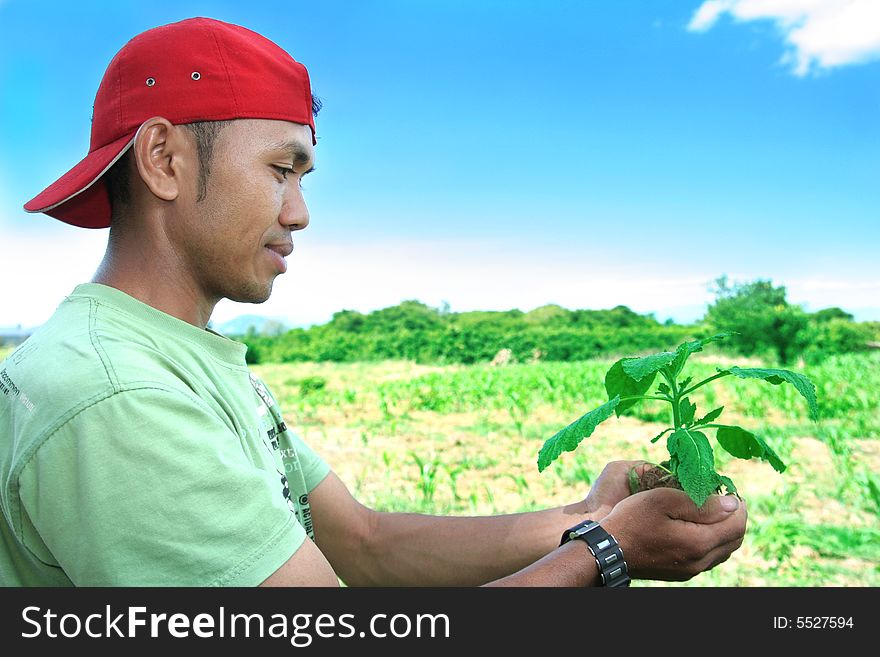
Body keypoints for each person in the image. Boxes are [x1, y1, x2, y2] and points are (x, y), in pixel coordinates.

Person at [0, 17, 746, 587]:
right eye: (280, 169)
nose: (299, 213)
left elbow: (363, 539)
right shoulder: (118, 394)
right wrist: (607, 553)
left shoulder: (182, 355)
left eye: (305, 178)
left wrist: (586, 517)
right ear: (164, 160)